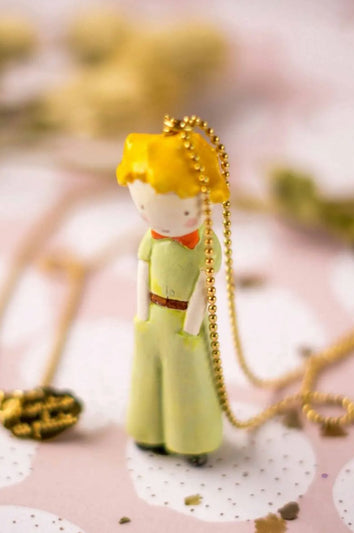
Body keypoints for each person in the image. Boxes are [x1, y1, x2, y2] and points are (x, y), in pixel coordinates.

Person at [116, 128, 229, 466]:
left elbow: (203, 289)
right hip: (152, 319)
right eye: (144, 209)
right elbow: (142, 270)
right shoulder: (152, 240)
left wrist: (190, 330)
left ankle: (192, 443)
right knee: (146, 376)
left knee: (187, 381)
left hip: (183, 326)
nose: (159, 224)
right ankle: (150, 433)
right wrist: (142, 315)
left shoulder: (204, 246)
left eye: (179, 214)